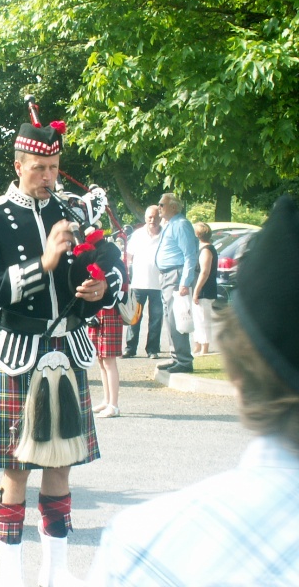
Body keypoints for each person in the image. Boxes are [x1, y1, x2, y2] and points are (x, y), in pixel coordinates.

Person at [87, 196, 299, 585]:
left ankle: (179, 357)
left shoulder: (144, 544)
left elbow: (185, 259)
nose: (156, 214)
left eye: (159, 210)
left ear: (237, 369)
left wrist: (185, 285)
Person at [0, 121, 125, 586]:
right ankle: (9, 574)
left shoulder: (72, 212)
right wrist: (44, 264)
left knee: (62, 462)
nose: (47, 176)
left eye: (54, 168)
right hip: (20, 352)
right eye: (38, 168)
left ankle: (56, 572)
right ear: (18, 165)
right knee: (16, 467)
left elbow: (111, 268)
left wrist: (98, 289)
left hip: (69, 347)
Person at [154, 192, 198, 374]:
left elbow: (190, 255)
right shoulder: (170, 225)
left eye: (162, 204)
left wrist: (185, 282)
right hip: (168, 275)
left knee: (175, 317)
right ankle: (176, 357)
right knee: (169, 318)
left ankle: (184, 360)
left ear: (173, 206)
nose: (159, 208)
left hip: (176, 275)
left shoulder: (180, 224)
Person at [122, 205, 163, 359]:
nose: (152, 220)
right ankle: (130, 348)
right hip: (139, 283)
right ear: (145, 218)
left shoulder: (165, 235)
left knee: (156, 319)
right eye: (149, 217)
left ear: (160, 217)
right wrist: (126, 277)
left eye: (155, 217)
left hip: (158, 285)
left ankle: (152, 349)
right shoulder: (138, 235)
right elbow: (128, 258)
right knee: (135, 317)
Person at [89, 307, 123, 418]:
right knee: (101, 360)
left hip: (110, 313)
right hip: (97, 313)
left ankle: (114, 405)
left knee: (109, 362)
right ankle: (107, 400)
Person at [191, 221, 217, 356]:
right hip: (199, 289)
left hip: (204, 290)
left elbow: (204, 272)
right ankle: (197, 345)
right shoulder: (201, 249)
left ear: (197, 234)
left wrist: (196, 291)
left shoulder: (206, 250)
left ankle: (204, 348)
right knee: (197, 319)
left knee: (203, 319)